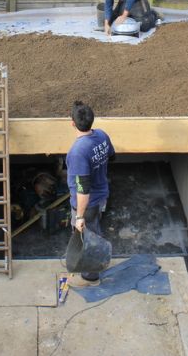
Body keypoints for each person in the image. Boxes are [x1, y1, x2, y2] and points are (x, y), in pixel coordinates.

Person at [66, 100, 115, 287]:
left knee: (87, 235)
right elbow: (112, 156)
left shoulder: (78, 152)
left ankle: (91, 274)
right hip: (101, 195)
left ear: (72, 122)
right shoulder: (102, 135)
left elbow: (83, 190)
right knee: (94, 228)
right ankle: (92, 266)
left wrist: (79, 216)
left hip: (88, 203)